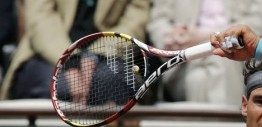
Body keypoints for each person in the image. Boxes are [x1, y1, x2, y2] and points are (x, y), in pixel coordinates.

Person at [0, 0, 150, 101]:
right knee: (57, 86)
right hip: (48, 54)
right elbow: (40, 19)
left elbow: (135, 23)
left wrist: (96, 55)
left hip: (110, 54)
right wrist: (70, 60)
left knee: (110, 81)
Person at [147, 0, 262, 106]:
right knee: (205, 70)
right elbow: (159, 20)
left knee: (207, 70)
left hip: (242, 58)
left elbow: (259, 23)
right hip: (183, 58)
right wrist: (171, 37)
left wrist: (204, 37)